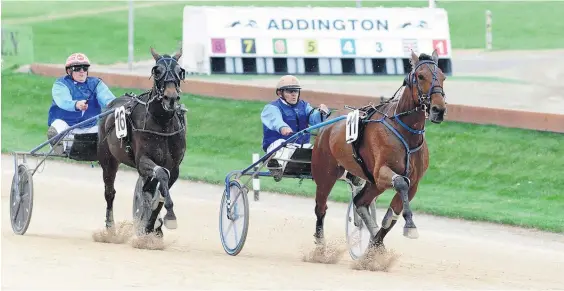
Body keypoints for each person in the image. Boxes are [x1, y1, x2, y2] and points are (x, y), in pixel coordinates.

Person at [47, 52, 117, 155]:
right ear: (69, 71)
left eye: (85, 68)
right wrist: (76, 105)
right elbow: (63, 101)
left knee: (107, 129)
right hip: (66, 130)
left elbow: (109, 100)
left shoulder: (96, 83)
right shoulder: (60, 84)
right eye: (77, 68)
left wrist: (118, 105)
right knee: (57, 125)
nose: (82, 72)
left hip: (89, 131)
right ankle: (59, 146)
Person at [261, 75, 329, 173]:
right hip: (278, 147)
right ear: (280, 93)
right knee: (280, 143)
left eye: (296, 91)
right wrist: (282, 127)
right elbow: (275, 120)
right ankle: (275, 166)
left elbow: (315, 119)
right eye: (290, 91)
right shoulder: (271, 108)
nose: (294, 94)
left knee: (319, 151)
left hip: (300, 148)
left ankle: (346, 175)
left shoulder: (304, 106)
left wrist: (321, 113)